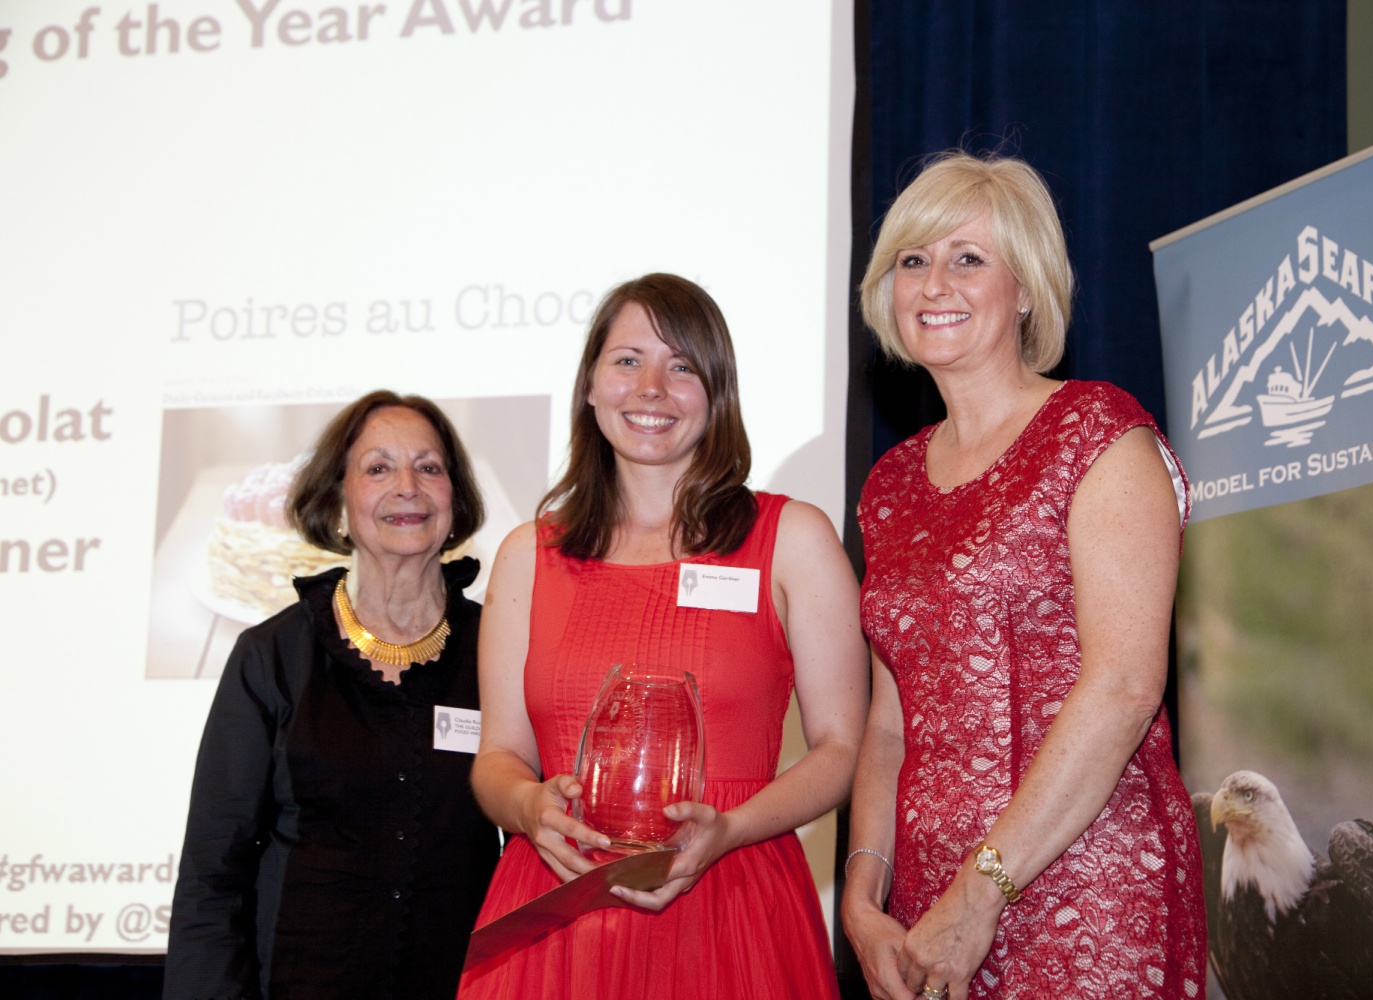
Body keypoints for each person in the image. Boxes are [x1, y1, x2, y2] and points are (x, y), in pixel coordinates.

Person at [841, 153, 1207, 1000]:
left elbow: (1122, 686)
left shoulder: (1098, 434)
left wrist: (981, 891)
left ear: (1028, 287)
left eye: (969, 258)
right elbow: (891, 725)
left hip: (1087, 886)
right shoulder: (889, 484)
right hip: (929, 909)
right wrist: (863, 895)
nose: (935, 283)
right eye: (913, 260)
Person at [458, 273, 866, 999]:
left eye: (681, 366)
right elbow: (498, 756)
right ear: (589, 386)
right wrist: (526, 808)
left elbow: (841, 749)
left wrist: (731, 828)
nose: (651, 387)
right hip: (558, 905)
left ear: (716, 393)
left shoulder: (792, 539)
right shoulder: (527, 553)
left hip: (732, 901)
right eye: (626, 361)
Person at [165, 391, 501, 1000]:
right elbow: (213, 879)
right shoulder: (271, 657)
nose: (408, 487)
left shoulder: (499, 652)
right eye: (378, 468)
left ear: (456, 499)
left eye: (429, 467)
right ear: (338, 502)